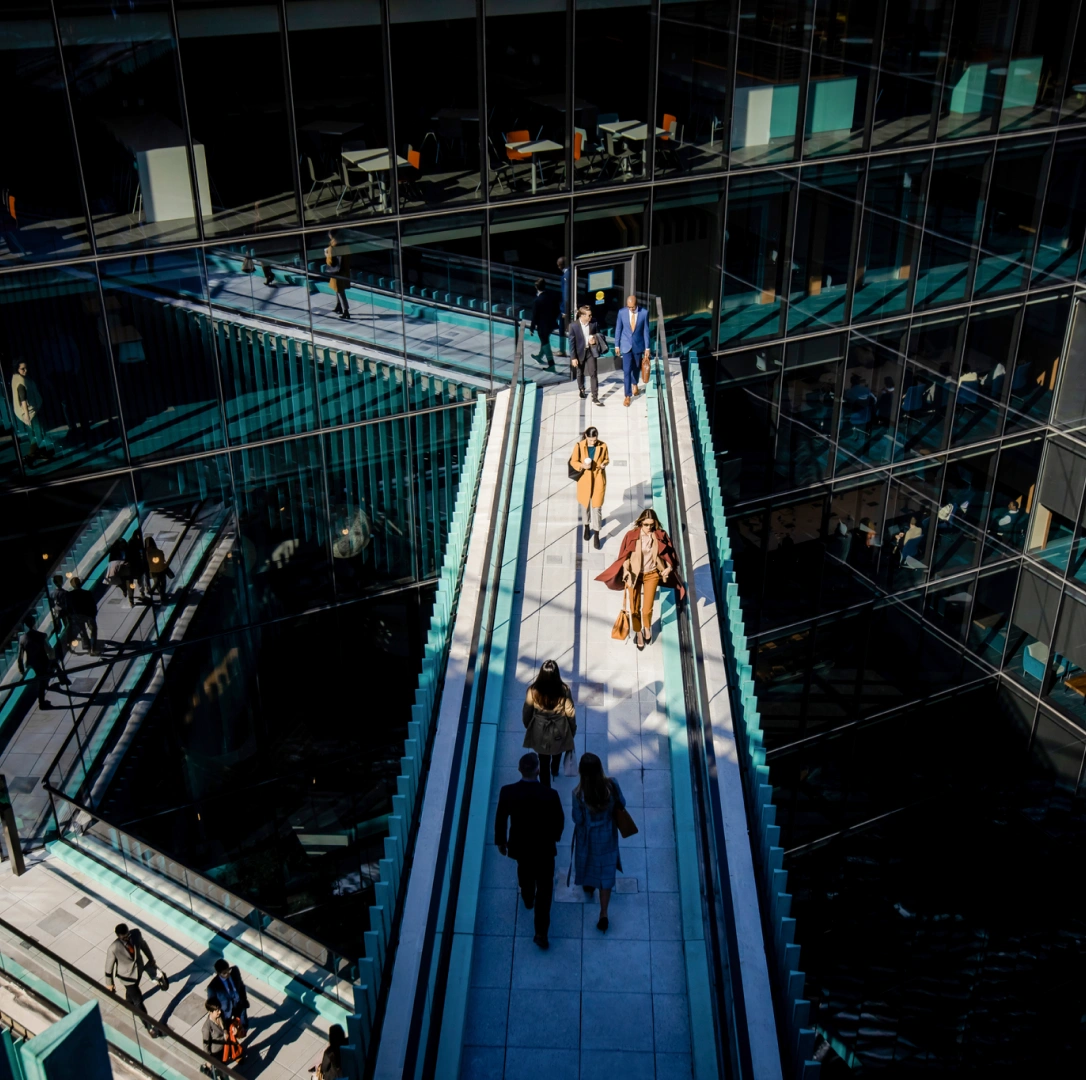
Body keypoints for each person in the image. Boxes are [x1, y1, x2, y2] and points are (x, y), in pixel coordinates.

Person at [495, 752, 565, 950]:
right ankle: (541, 932)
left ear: (519, 769)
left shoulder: (508, 792)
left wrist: (501, 841)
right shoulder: (550, 795)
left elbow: (501, 818)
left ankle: (527, 896)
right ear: (538, 770)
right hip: (544, 849)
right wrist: (555, 837)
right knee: (545, 891)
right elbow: (559, 820)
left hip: (521, 846)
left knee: (524, 872)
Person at [596, 508, 684, 649]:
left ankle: (647, 627)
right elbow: (625, 556)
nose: (649, 528)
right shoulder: (631, 535)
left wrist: (668, 568)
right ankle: (638, 632)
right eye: (646, 524)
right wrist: (625, 571)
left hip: (652, 574)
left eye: (651, 525)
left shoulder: (660, 535)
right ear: (640, 523)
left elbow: (668, 553)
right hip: (634, 575)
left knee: (647, 609)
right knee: (634, 608)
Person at [571, 752, 626, 933]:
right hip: (608, 836)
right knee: (606, 873)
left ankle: (588, 884)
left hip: (588, 838)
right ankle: (603, 912)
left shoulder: (578, 794)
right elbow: (622, 803)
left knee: (589, 863)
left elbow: (578, 819)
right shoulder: (612, 784)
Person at [522, 661, 576, 790]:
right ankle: (555, 770)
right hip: (559, 727)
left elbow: (527, 711)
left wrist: (528, 726)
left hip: (540, 729)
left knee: (543, 760)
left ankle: (546, 788)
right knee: (558, 751)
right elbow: (570, 712)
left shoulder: (533, 690)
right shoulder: (564, 690)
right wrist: (572, 730)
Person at [104, 923, 160, 1036]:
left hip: (138, 970)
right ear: (118, 936)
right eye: (124, 936)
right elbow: (108, 967)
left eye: (127, 935)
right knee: (138, 1000)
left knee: (131, 996)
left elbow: (144, 946)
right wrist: (109, 983)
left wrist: (151, 959)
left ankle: (129, 1003)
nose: (127, 938)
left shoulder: (136, 934)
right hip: (127, 977)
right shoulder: (113, 948)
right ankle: (149, 1026)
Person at [570, 426, 609, 548]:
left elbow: (607, 459)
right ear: (586, 436)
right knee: (585, 505)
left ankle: (596, 533)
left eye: (595, 439)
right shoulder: (579, 446)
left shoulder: (603, 446)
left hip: (598, 478)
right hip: (584, 480)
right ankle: (586, 526)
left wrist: (604, 464)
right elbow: (573, 461)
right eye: (591, 440)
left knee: (597, 508)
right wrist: (582, 465)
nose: (593, 442)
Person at [18, 615, 68, 708]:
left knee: (48, 671)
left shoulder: (22, 638)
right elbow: (48, 649)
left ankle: (62, 680)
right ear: (34, 623)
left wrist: (21, 669)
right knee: (43, 679)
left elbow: (20, 656)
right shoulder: (41, 635)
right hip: (42, 660)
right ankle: (42, 703)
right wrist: (52, 658)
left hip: (32, 662)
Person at [11, 360, 52, 465]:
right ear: (17, 369)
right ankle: (30, 457)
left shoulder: (17, 378)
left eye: (26, 368)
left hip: (30, 412)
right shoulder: (21, 381)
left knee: (33, 434)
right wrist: (27, 415)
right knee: (38, 433)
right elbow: (23, 399)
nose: (25, 370)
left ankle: (37, 453)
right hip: (30, 412)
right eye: (22, 369)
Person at [613, 294, 650, 407]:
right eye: (629, 307)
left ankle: (635, 383)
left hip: (638, 345)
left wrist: (647, 348)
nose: (631, 309)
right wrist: (617, 345)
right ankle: (627, 396)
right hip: (625, 345)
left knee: (636, 368)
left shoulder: (644, 313)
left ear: (636, 304)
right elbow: (618, 329)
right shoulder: (622, 313)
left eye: (633, 307)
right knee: (627, 370)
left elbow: (646, 331)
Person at [568, 305, 605, 405]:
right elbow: (571, 343)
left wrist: (594, 338)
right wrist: (573, 357)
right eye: (589, 315)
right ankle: (582, 389)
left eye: (591, 315)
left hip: (590, 352)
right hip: (579, 352)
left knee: (593, 373)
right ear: (582, 316)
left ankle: (595, 396)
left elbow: (599, 334)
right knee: (580, 373)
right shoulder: (573, 326)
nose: (590, 317)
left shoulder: (593, 323)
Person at [207, 959, 249, 1030]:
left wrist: (244, 999)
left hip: (239, 1004)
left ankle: (241, 1032)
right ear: (218, 973)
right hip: (226, 1011)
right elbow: (212, 1004)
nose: (228, 974)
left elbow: (241, 986)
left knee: (243, 1024)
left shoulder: (235, 971)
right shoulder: (213, 987)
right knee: (229, 1029)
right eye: (224, 973)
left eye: (228, 970)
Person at [529, 278, 560, 368]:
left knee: (545, 343)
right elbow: (557, 310)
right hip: (551, 324)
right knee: (545, 341)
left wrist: (532, 328)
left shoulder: (537, 301)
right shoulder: (552, 296)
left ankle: (551, 365)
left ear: (536, 287)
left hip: (542, 326)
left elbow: (534, 316)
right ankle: (539, 356)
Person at [68, 576, 99, 655]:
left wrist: (71, 615)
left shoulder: (70, 595)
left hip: (77, 615)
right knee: (93, 630)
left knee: (82, 630)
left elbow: (68, 607)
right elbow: (92, 604)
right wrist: (94, 614)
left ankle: (86, 646)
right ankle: (93, 649)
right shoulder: (87, 593)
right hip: (88, 615)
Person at [326, 232, 351, 320]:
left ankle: (346, 311)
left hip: (337, 272)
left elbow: (330, 261)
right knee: (338, 290)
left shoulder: (332, 247)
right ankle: (339, 306)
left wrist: (327, 254)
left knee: (340, 291)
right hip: (344, 270)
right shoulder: (344, 244)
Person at [556, 256, 570, 356]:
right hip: (567, 306)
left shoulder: (566, 275)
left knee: (562, 328)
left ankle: (562, 350)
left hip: (566, 308)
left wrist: (565, 311)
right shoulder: (570, 272)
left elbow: (566, 294)